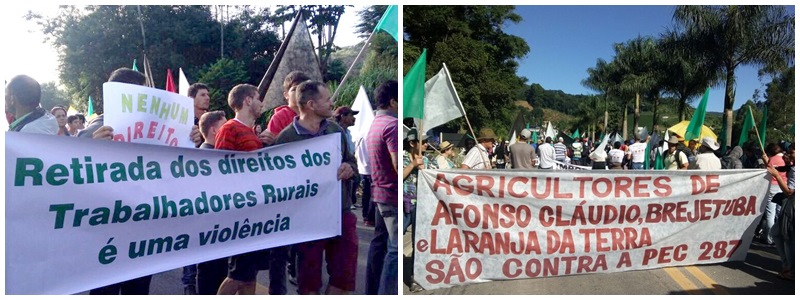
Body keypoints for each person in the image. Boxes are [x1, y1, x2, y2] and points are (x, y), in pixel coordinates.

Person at [275, 80, 357, 295]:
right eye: (327, 99)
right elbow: (276, 182)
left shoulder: (335, 130)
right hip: (307, 221)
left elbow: (352, 161)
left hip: (341, 214)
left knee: (344, 278)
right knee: (309, 284)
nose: (332, 103)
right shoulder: (286, 138)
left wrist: (349, 167)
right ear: (311, 104)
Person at [215, 84, 278, 295]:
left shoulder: (250, 132)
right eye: (259, 98)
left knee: (250, 276)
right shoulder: (229, 129)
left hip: (255, 215)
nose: (262, 103)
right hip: (241, 215)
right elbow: (221, 168)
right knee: (237, 276)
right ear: (248, 100)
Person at [365, 80, 399, 295]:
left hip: (379, 193)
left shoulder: (375, 124)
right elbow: (397, 166)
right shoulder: (392, 126)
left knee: (379, 244)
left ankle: (372, 290)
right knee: (394, 249)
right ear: (393, 101)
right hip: (392, 194)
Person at [192, 110, 229, 295]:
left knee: (221, 272)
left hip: (221, 230)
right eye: (226, 126)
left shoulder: (224, 155)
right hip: (207, 230)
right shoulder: (200, 158)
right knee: (208, 272)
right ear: (215, 131)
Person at [764, 143, 794, 280]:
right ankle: (787, 264)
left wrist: (777, 175)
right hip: (788, 204)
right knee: (777, 232)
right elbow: (782, 168)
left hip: (792, 204)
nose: (789, 155)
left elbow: (788, 192)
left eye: (793, 152)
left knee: (786, 236)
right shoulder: (792, 166)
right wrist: (767, 162)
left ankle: (790, 269)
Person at [267, 71, 311, 136]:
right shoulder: (279, 118)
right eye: (295, 89)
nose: (299, 93)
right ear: (286, 95)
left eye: (303, 89)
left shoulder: (314, 113)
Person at [760, 143, 787, 246]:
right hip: (784, 186)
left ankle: (770, 238)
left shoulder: (773, 159)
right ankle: (781, 236)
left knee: (770, 214)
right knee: (780, 213)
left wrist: (766, 161)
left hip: (772, 186)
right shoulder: (787, 158)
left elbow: (769, 170)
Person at [402, 129, 428, 235]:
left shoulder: (428, 159)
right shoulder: (401, 157)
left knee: (418, 238)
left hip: (422, 204)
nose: (426, 144)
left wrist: (424, 169)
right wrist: (412, 165)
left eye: (426, 141)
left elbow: (435, 180)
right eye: (423, 142)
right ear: (412, 143)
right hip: (404, 204)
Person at [188, 83, 211, 147]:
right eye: (203, 95)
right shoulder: (185, 122)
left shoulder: (214, 120)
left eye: (208, 95)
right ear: (192, 99)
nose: (207, 98)